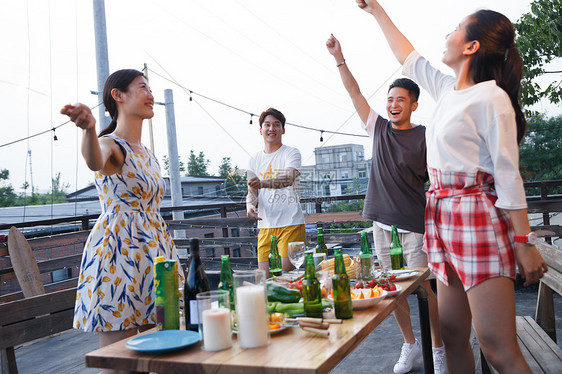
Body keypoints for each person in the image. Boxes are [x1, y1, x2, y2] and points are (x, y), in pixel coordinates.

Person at [354, 1, 548, 373]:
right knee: (454, 336)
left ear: (471, 46)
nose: (448, 34)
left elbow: (508, 175)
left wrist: (524, 243)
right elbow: (407, 56)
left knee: (497, 348)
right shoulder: (446, 89)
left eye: (457, 28)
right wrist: (376, 8)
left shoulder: (491, 98)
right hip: (440, 217)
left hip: (476, 217)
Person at [327, 34, 447, 374]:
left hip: (413, 229)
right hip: (380, 226)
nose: (393, 104)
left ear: (414, 105)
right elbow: (354, 92)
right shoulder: (378, 128)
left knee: (425, 291)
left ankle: (437, 348)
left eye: (401, 100)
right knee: (391, 291)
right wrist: (340, 58)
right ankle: (410, 344)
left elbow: (438, 179)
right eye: (390, 98)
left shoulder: (425, 135)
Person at [61, 69, 184, 372]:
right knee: (120, 363)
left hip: (156, 253)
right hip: (118, 255)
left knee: (167, 349)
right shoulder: (111, 144)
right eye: (142, 87)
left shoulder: (149, 154)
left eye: (150, 88)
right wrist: (89, 129)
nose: (150, 94)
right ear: (118, 96)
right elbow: (95, 160)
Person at [246, 107, 306, 278]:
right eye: (267, 125)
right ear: (261, 130)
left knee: (286, 278)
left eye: (276, 125)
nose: (271, 129)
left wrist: (262, 183)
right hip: (265, 226)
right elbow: (252, 191)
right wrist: (250, 206)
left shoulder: (291, 153)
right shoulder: (254, 159)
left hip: (291, 223)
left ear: (283, 130)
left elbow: (288, 178)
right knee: (266, 281)